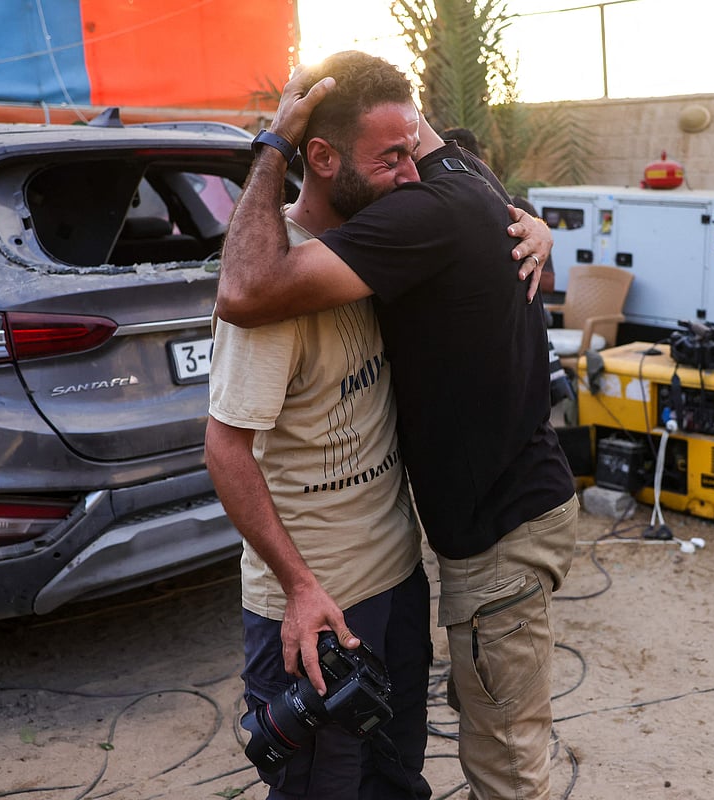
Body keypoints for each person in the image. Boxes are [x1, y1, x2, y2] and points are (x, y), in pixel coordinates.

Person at [216, 52, 578, 800]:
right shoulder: (293, 275)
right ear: (320, 157)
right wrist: (298, 586)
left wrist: (536, 228)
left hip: (400, 582)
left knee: (405, 780)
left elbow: (468, 206)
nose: (410, 175)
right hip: (320, 606)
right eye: (389, 159)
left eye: (411, 150)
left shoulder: (387, 242)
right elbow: (226, 442)